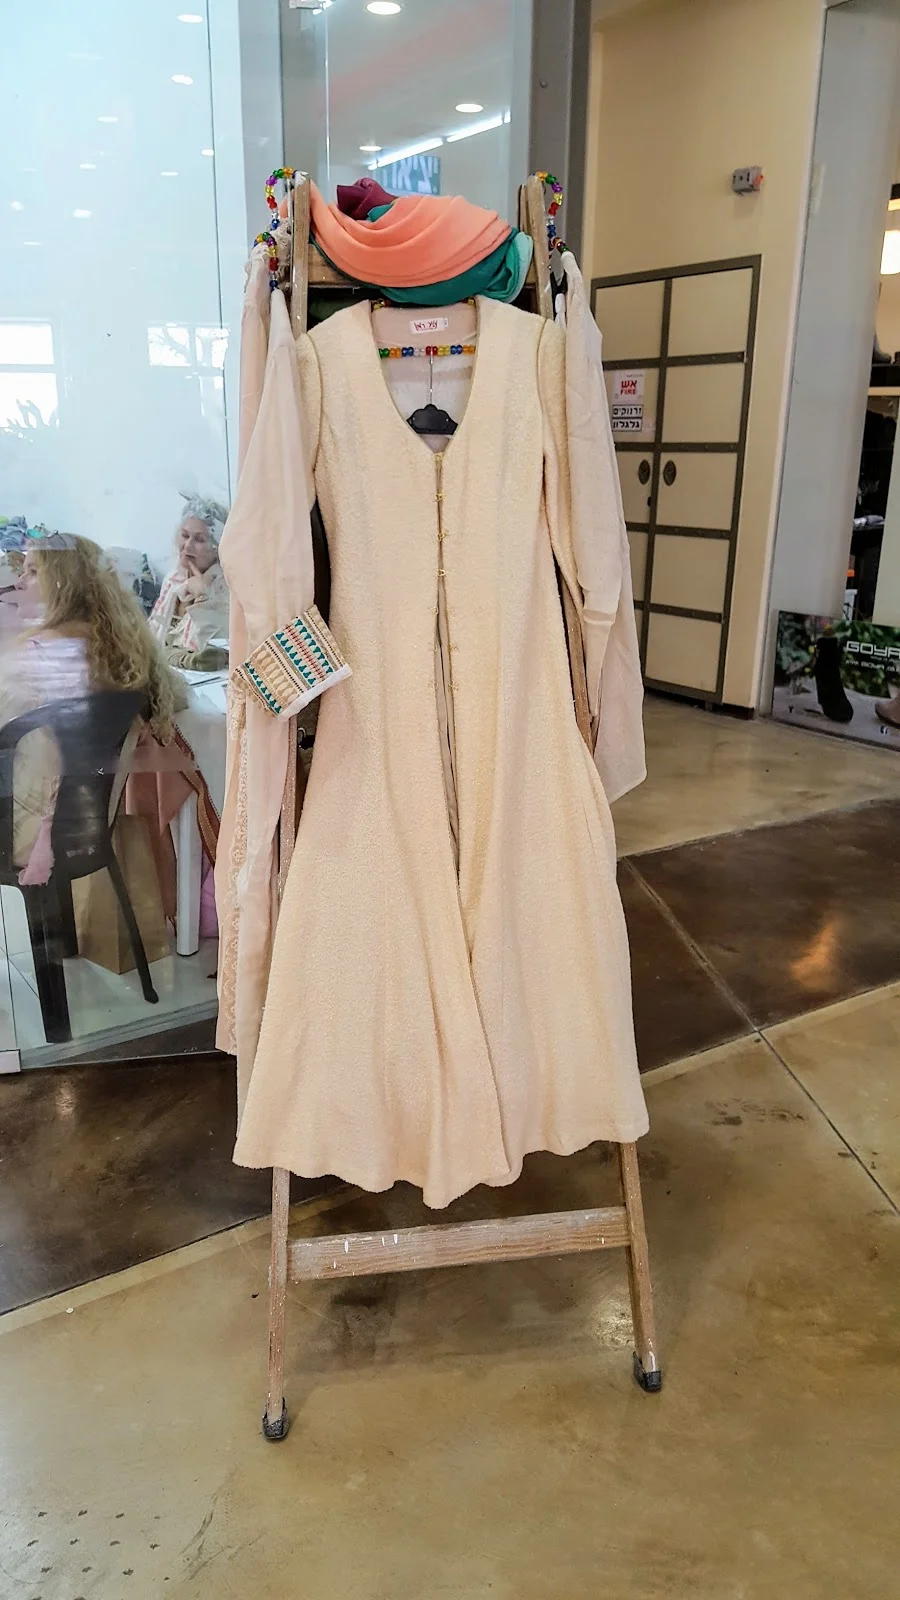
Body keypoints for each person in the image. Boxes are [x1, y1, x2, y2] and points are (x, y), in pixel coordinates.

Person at [0, 533, 181, 885]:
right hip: (90, 825)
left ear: (64, 585)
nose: (19, 582)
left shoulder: (36, 655)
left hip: (26, 831)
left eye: (33, 572)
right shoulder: (119, 650)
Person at [149, 494, 230, 669]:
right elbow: (154, 636)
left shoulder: (226, 586)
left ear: (218, 546)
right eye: (185, 536)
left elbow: (213, 652)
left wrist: (202, 597)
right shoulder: (174, 578)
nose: (187, 546)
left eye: (199, 539)